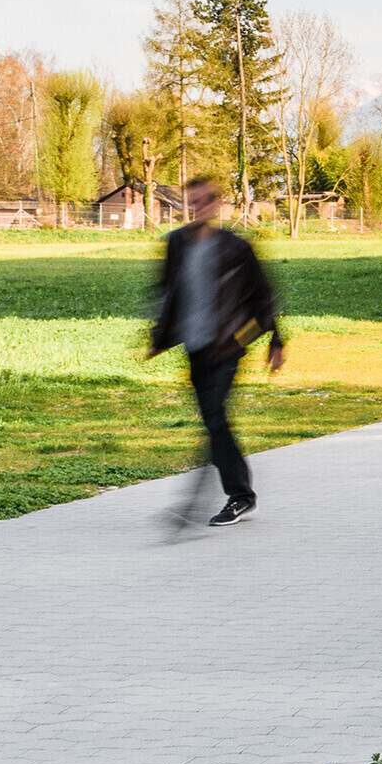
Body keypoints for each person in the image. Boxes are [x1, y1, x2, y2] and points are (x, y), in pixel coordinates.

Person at [146, 178, 285, 526]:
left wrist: (275, 341)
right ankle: (237, 494)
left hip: (230, 345)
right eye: (192, 201)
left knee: (215, 416)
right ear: (184, 204)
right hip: (194, 346)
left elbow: (263, 296)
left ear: (217, 203)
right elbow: (166, 293)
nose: (198, 206)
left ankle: (232, 497)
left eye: (205, 200)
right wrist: (157, 337)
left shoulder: (236, 247)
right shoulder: (175, 244)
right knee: (213, 422)